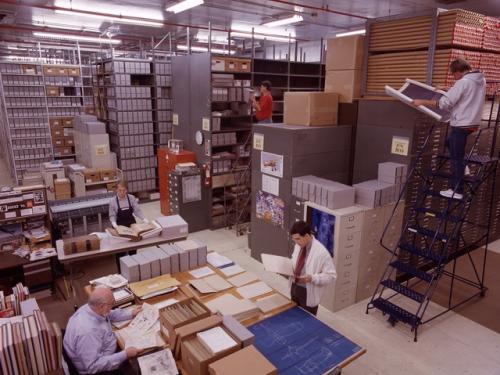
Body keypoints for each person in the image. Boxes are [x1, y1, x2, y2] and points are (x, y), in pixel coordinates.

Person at [412, 58, 486, 200]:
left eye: (454, 74)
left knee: (456, 158)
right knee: (449, 142)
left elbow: (445, 103)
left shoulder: (463, 82)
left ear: (458, 71)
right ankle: (463, 168)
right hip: (472, 122)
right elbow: (467, 93)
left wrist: (421, 101)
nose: (454, 77)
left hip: (462, 123)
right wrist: (449, 89)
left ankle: (457, 190)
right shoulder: (479, 79)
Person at [63, 287, 142, 374]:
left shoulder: (92, 308)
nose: (112, 306)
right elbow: (93, 366)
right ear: (102, 306)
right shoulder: (88, 332)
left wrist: (130, 313)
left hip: (104, 349)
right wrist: (125, 354)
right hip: (98, 369)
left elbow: (109, 314)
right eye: (112, 303)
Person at [289, 221, 336, 316]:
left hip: (308, 292)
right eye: (294, 240)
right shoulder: (299, 245)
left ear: (307, 236)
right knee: (294, 316)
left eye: (298, 239)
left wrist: (312, 278)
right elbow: (295, 262)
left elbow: (331, 275)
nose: (296, 242)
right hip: (294, 287)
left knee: (307, 321)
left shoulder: (321, 252)